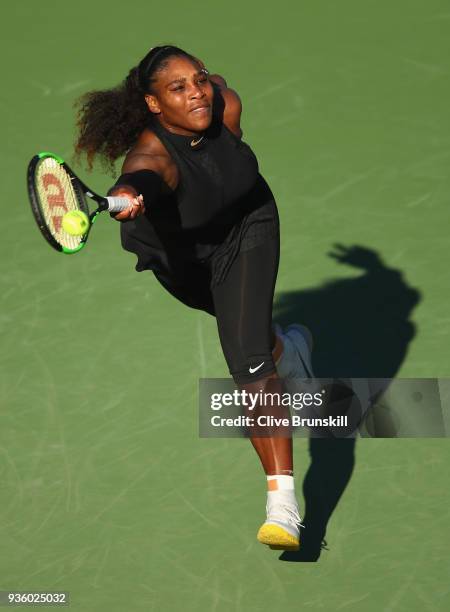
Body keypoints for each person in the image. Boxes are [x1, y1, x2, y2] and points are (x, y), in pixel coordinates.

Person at [75, 45, 314, 550]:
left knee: (248, 364)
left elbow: (214, 93)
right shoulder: (152, 154)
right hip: (182, 260)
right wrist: (129, 195)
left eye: (199, 79)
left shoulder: (225, 104)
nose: (198, 93)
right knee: (250, 337)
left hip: (248, 229)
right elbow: (139, 175)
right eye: (178, 88)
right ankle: (288, 351)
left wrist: (205, 86)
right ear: (154, 105)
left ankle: (284, 506)